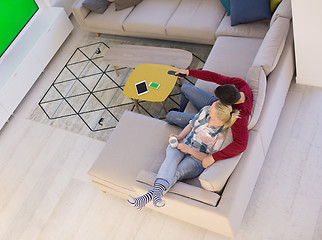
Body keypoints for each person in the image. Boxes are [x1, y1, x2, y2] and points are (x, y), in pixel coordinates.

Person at [128, 101, 240, 210]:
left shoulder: (220, 135)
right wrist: (179, 136)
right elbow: (191, 125)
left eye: (212, 110)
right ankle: (155, 197)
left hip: (196, 159)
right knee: (169, 162)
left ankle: (145, 199)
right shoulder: (205, 110)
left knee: (176, 172)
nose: (209, 108)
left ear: (218, 118)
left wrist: (189, 150)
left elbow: (207, 158)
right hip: (183, 143)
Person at [166, 69, 253, 166]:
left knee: (170, 116)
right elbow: (215, 77)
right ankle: (181, 110)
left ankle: (178, 115)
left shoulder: (240, 117)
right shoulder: (240, 84)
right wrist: (188, 72)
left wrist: (213, 157)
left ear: (227, 105)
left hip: (212, 115)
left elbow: (241, 145)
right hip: (212, 105)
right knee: (185, 88)